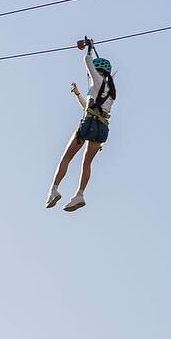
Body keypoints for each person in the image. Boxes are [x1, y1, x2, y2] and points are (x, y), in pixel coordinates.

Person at [46, 38, 116, 213]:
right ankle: (80, 194)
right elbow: (89, 107)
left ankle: (53, 190)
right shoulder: (111, 92)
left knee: (66, 158)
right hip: (101, 130)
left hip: (88, 126)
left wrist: (89, 49)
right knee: (86, 164)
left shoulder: (97, 82)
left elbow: (87, 62)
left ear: (99, 72)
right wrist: (78, 94)